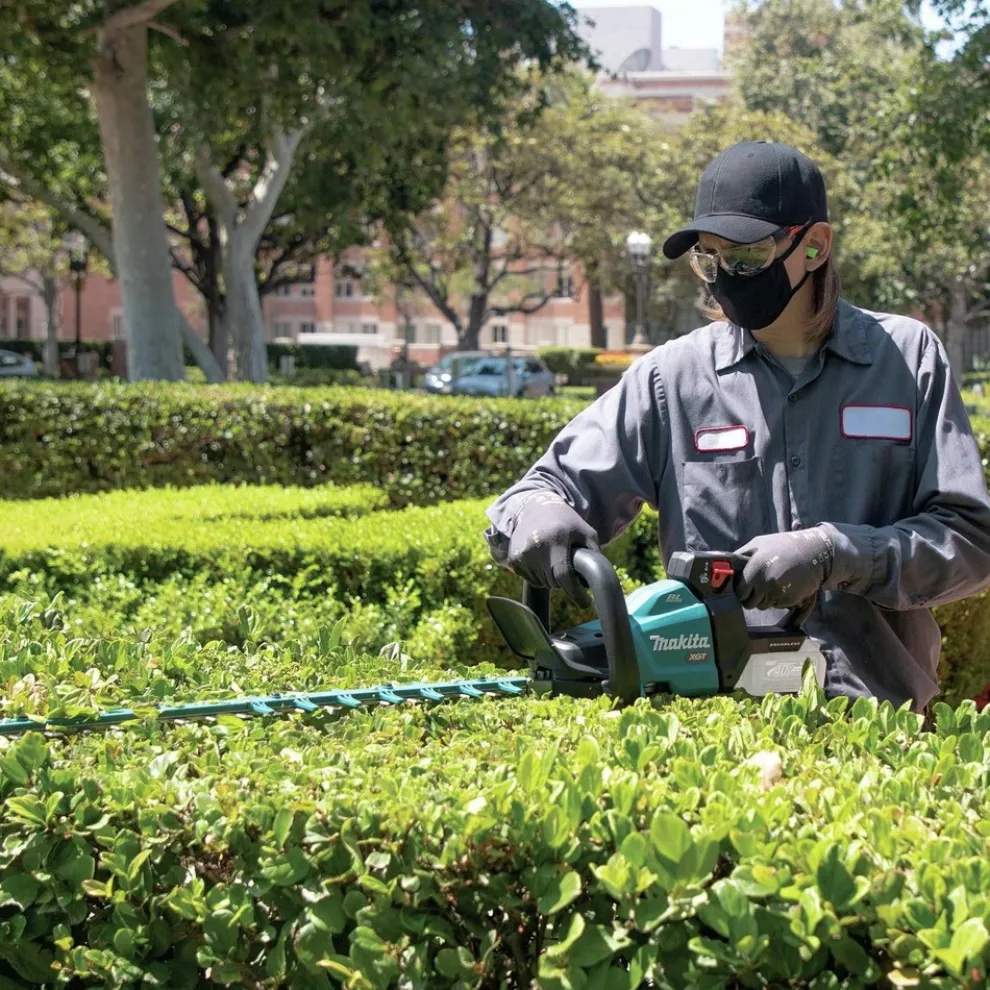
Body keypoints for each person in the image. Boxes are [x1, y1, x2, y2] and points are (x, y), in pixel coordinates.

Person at [483, 139, 990, 713]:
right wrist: (538, 514)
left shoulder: (907, 360)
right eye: (709, 258)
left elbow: (971, 541)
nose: (726, 276)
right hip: (719, 722)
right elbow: (536, 493)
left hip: (879, 718)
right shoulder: (672, 379)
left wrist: (835, 553)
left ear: (815, 246)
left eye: (747, 256)